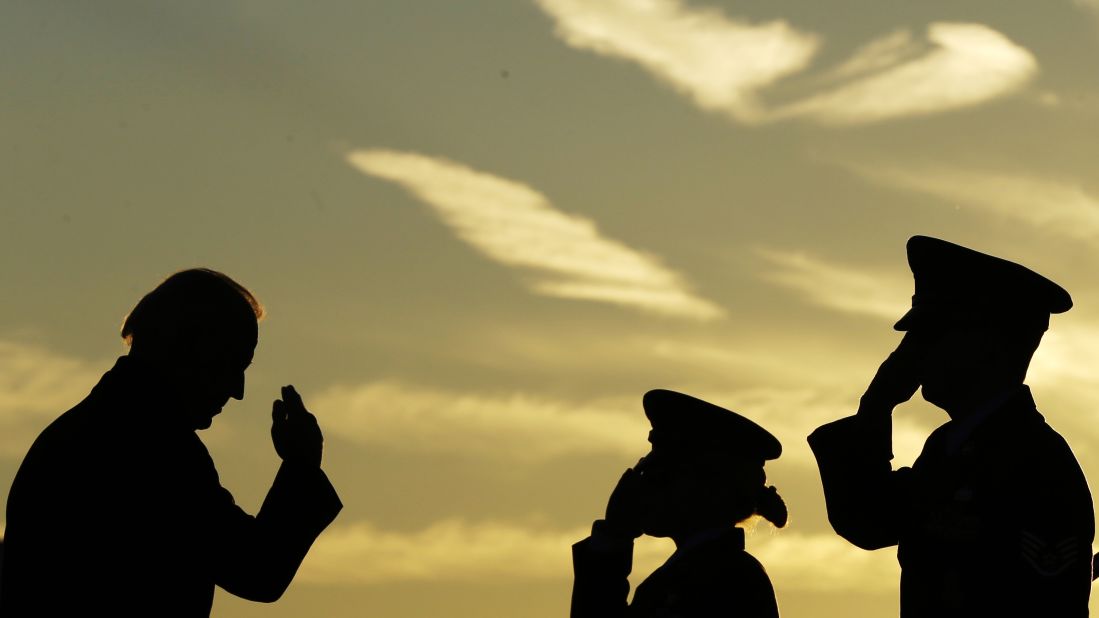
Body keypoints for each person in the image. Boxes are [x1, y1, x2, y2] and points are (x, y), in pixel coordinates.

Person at [0, 269, 343, 617]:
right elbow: (255, 568)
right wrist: (301, 467)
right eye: (230, 364)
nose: (237, 391)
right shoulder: (153, 447)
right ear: (185, 347)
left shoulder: (80, 433)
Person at [808, 236, 1094, 617]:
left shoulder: (1036, 461)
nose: (913, 352)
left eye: (930, 335)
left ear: (987, 344)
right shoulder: (948, 448)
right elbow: (866, 521)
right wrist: (876, 405)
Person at [571, 389, 788, 618]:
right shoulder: (690, 576)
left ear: (706, 487)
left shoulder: (725, 577)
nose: (643, 487)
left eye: (660, 476)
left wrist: (613, 537)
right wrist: (614, 536)